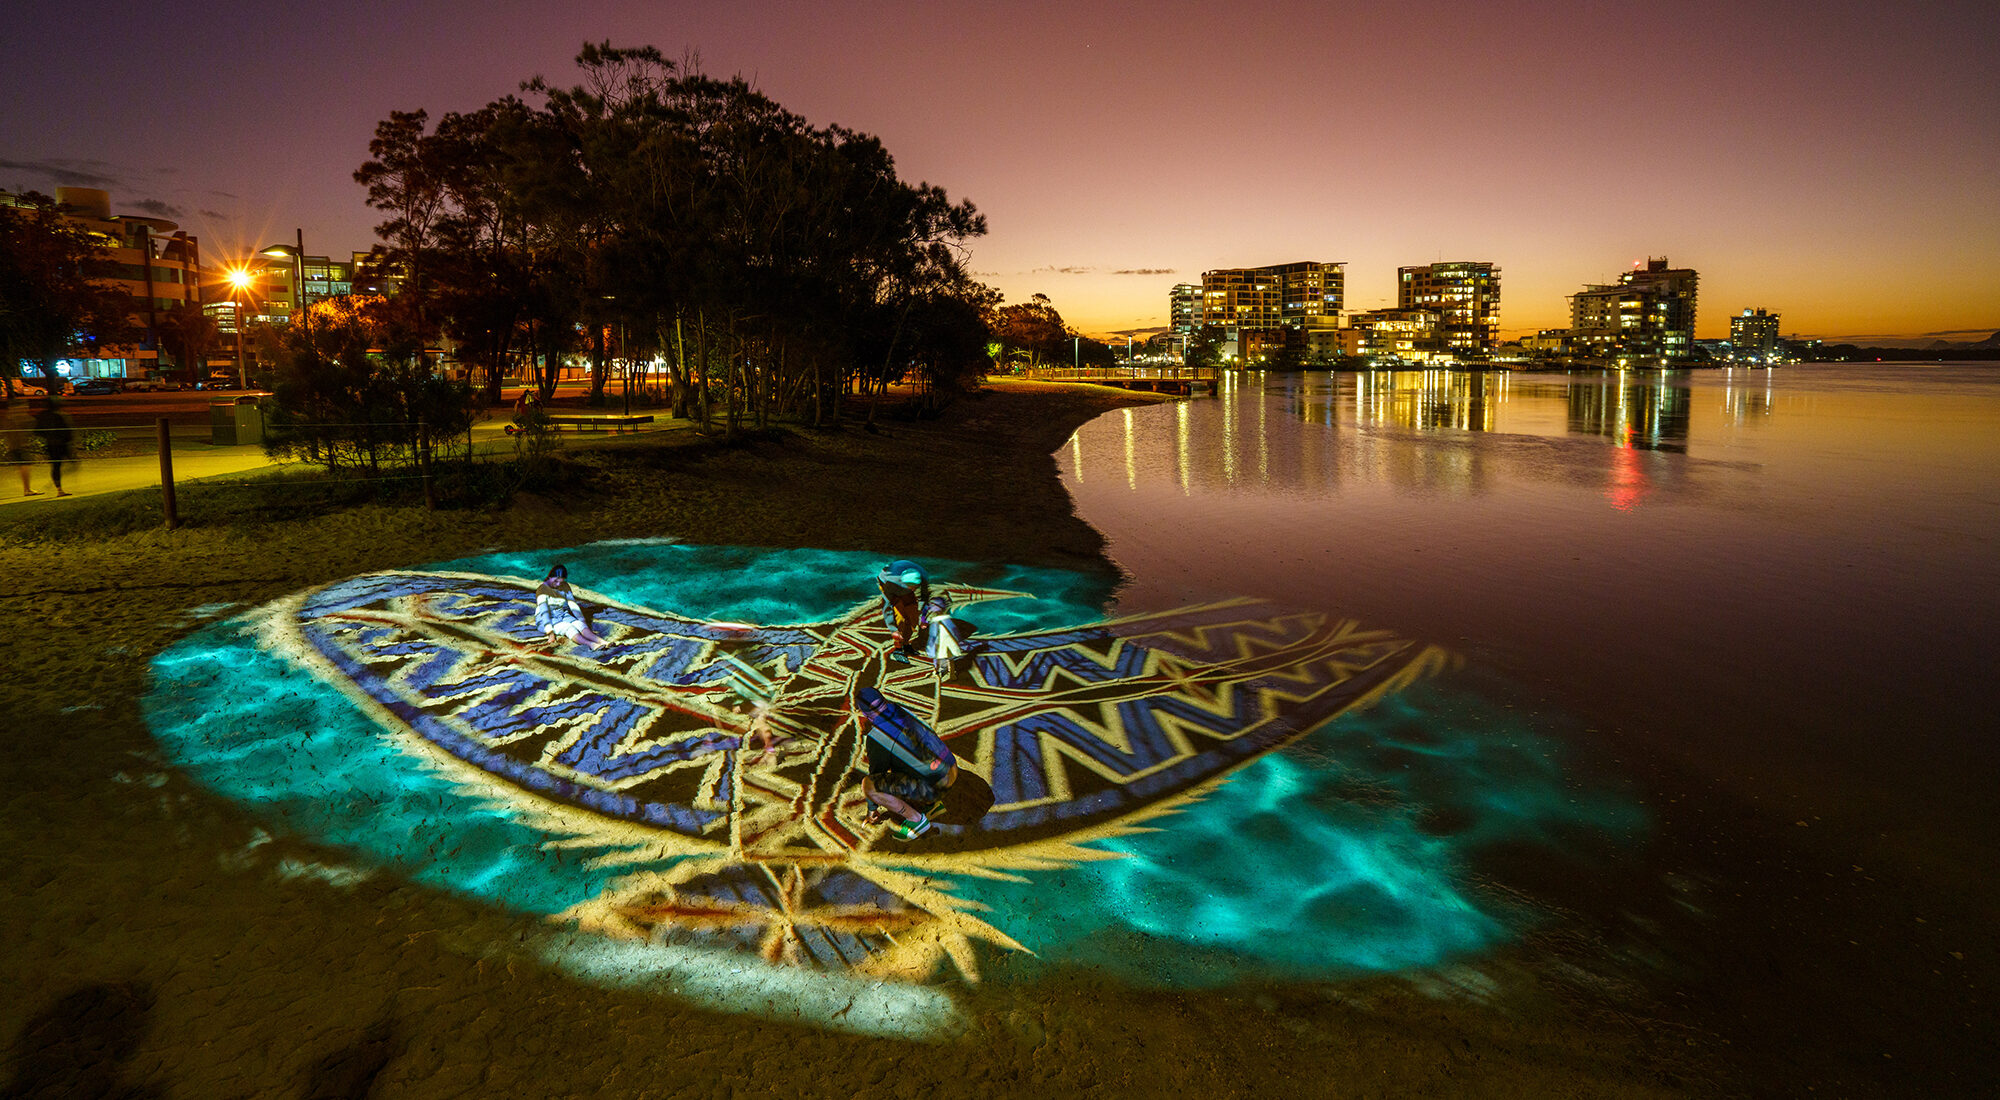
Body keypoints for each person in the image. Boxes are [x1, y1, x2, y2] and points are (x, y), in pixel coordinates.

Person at [853, 686, 957, 839]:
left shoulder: (877, 737)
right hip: (952, 769)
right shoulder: (899, 708)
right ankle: (932, 805)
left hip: (936, 786)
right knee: (908, 759)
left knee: (869, 785)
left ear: (865, 715)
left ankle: (917, 821)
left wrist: (872, 808)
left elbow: (876, 776)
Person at [533, 563, 610, 649]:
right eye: (556, 581)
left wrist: (582, 621)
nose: (558, 584)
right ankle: (591, 644)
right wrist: (550, 633)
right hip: (546, 618)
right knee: (568, 628)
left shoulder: (565, 586)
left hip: (561, 613)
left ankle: (603, 642)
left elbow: (572, 604)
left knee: (580, 625)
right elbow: (544, 612)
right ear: (550, 577)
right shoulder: (542, 589)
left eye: (561, 582)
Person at [875, 559, 928, 662]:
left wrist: (922, 615)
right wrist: (893, 629)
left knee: (913, 616)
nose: (913, 590)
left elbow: (924, 597)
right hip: (888, 581)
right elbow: (887, 606)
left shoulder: (923, 577)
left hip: (901, 579)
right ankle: (898, 648)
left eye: (915, 587)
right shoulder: (890, 583)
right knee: (900, 618)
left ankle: (906, 643)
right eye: (910, 587)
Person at [30, 397, 73, 498]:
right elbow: (67, 431)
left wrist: (47, 436)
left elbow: (37, 431)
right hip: (61, 444)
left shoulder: (43, 416)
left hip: (51, 444)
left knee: (56, 466)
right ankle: (58, 487)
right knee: (64, 465)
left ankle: (58, 487)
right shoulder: (59, 416)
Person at [921, 594, 971, 678]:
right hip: (949, 642)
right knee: (949, 657)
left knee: (937, 657)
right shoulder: (947, 618)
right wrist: (958, 641)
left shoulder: (934, 621)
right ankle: (952, 672)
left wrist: (930, 646)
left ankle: (936, 671)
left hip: (939, 643)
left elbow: (933, 635)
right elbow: (954, 631)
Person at [1, 398, 37, 497]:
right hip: (20, 446)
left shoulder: (8, 419)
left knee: (21, 466)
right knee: (25, 465)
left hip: (12, 446)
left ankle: (26, 488)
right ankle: (27, 489)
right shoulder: (22, 419)